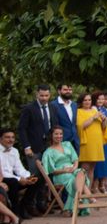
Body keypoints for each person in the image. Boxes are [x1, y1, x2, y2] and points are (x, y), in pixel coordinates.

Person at [17, 84, 58, 212]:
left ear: (50, 95)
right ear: (37, 95)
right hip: (33, 148)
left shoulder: (52, 107)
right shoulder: (29, 108)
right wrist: (26, 146)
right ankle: (28, 205)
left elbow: (54, 126)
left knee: (47, 177)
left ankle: (42, 204)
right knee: (35, 177)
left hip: (48, 147)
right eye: (42, 95)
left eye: (46, 95)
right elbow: (21, 129)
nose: (44, 98)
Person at [41, 126, 95, 215]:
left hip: (73, 169)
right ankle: (89, 199)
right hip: (60, 174)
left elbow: (75, 159)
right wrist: (64, 171)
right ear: (51, 135)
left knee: (81, 171)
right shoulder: (48, 152)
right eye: (56, 134)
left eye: (61, 134)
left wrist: (74, 167)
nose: (59, 136)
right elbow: (51, 171)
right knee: (76, 180)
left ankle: (79, 199)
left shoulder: (67, 144)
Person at [0, 129, 40, 220]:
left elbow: (19, 168)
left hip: (13, 178)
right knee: (13, 182)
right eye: (7, 137)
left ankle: (23, 207)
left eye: (13, 137)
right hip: (3, 178)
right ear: (0, 139)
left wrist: (28, 177)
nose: (11, 140)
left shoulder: (14, 151)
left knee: (36, 180)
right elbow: (3, 173)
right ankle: (15, 212)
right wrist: (19, 179)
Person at [76, 93, 106, 189]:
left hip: (96, 142)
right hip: (87, 143)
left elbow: (103, 127)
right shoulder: (79, 111)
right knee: (85, 168)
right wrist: (93, 117)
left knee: (92, 169)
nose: (87, 102)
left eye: (89, 100)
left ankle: (88, 193)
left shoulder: (94, 110)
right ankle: (81, 193)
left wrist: (104, 119)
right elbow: (81, 126)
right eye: (85, 100)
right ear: (81, 101)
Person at [92, 93, 107, 194]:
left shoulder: (104, 109)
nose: (101, 101)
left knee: (104, 161)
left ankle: (102, 184)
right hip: (96, 137)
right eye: (99, 99)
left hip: (105, 137)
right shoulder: (93, 109)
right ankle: (95, 185)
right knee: (97, 163)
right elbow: (100, 124)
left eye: (102, 99)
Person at [51, 84, 79, 148]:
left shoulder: (74, 105)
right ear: (59, 91)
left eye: (70, 90)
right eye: (65, 90)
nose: (68, 91)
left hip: (75, 141)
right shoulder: (53, 105)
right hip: (61, 141)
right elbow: (53, 124)